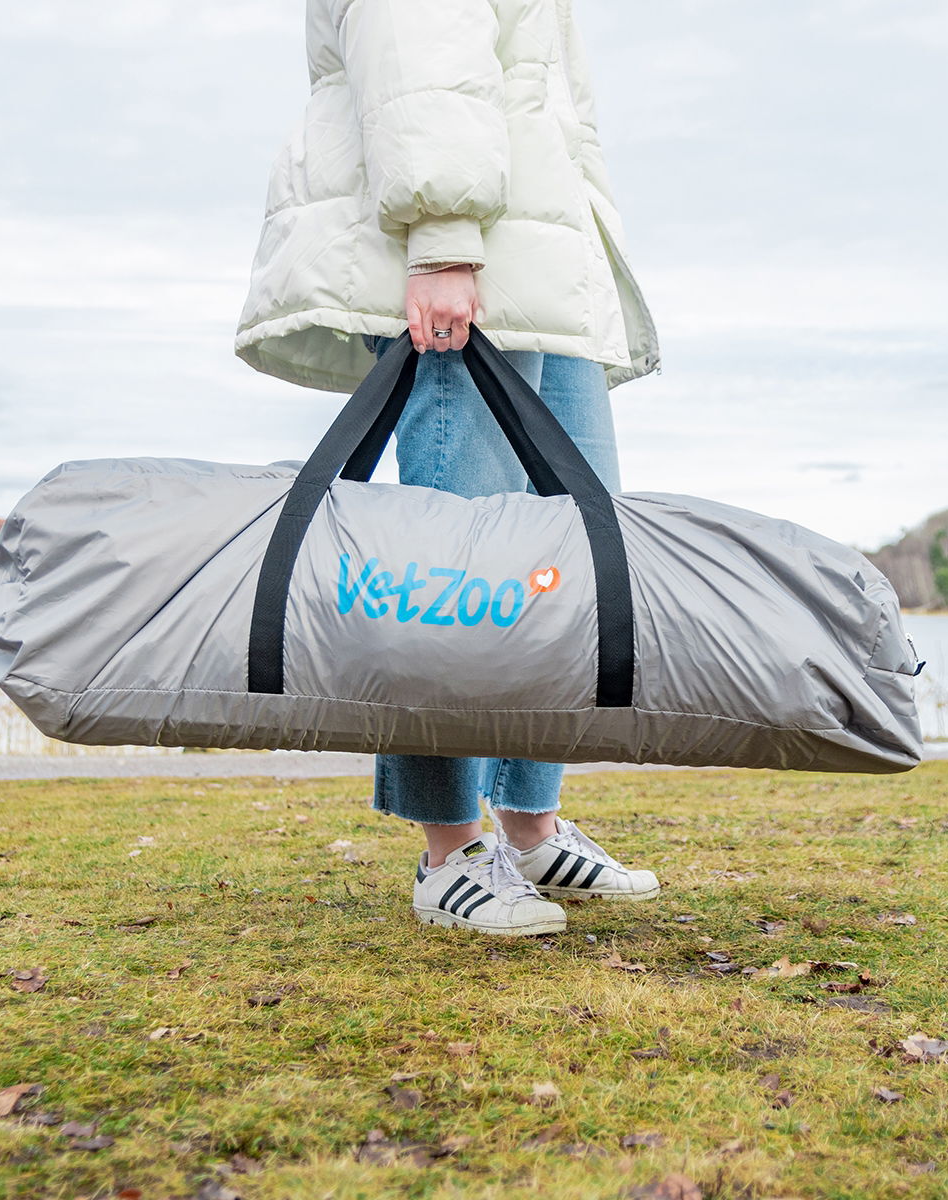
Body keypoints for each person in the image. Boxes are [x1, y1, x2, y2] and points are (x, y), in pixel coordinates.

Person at [235, 0, 662, 936]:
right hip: (473, 254)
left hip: (543, 271)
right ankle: (449, 851)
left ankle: (530, 827)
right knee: (451, 576)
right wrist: (439, 237)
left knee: (566, 572)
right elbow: (416, 44)